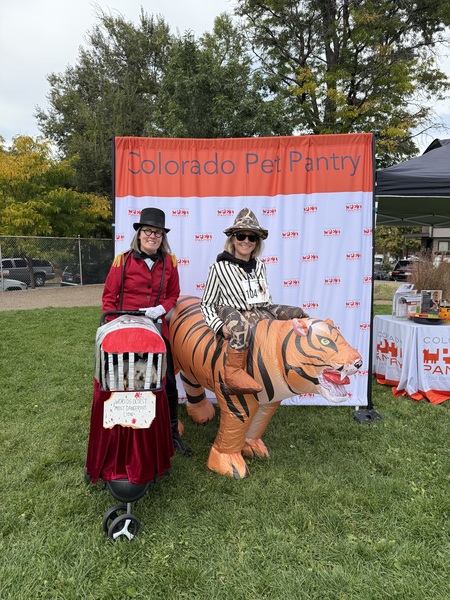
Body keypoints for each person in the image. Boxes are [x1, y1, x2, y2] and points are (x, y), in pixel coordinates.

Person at [102, 207, 192, 456]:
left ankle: (172, 435)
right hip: (125, 330)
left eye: (158, 232)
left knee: (169, 384)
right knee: (125, 381)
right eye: (148, 231)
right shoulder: (123, 261)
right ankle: (122, 431)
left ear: (163, 237)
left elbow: (174, 294)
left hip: (156, 330)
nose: (153, 236)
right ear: (139, 234)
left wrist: (160, 309)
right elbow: (109, 298)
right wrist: (112, 327)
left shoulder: (170, 263)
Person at [200, 207, 308, 395]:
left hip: (260, 308)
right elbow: (207, 304)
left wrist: (274, 317)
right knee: (241, 328)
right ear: (233, 238)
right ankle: (232, 374)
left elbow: (264, 297)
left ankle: (304, 360)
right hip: (231, 310)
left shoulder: (260, 266)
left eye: (252, 237)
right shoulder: (218, 268)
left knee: (298, 313)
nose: (246, 241)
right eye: (241, 236)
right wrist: (218, 326)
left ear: (257, 242)